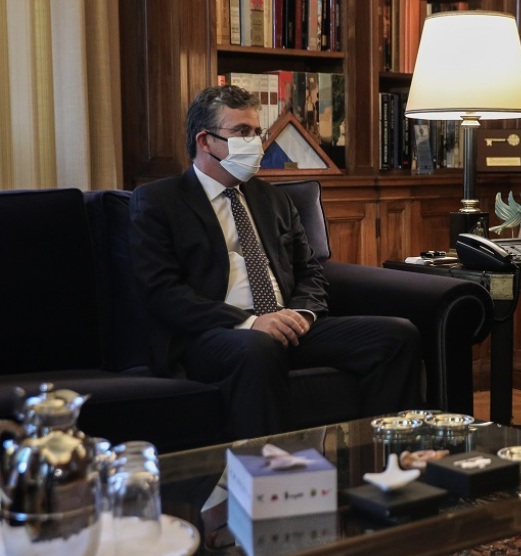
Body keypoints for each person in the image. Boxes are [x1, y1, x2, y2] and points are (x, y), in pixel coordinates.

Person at [129, 85, 422, 439]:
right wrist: (251, 322)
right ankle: (273, 467)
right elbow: (162, 292)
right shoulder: (159, 201)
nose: (255, 143)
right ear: (205, 141)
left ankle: (382, 456)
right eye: (242, 132)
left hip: (285, 324)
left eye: (257, 132)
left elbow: (310, 271)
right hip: (212, 334)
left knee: (396, 335)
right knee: (258, 347)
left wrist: (302, 314)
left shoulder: (274, 198)